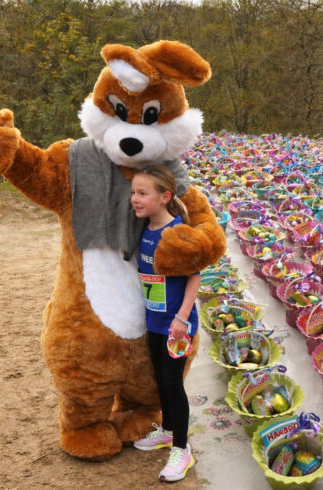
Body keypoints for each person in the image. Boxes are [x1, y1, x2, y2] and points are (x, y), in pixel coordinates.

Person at [131, 165, 200, 483]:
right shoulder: (143, 229)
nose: (135, 198)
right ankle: (168, 430)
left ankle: (182, 449)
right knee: (161, 379)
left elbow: (194, 277)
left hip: (176, 326)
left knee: (173, 384)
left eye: (142, 193)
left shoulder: (177, 232)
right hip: (155, 322)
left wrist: (182, 318)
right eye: (133, 192)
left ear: (164, 197)